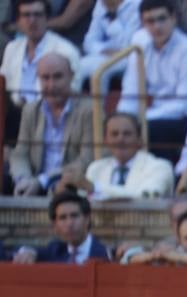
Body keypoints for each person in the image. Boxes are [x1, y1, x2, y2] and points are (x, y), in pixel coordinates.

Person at [117, 0, 187, 161]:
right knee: (117, 130)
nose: (156, 27)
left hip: (185, 117)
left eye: (162, 19)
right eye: (150, 21)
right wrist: (124, 119)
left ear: (174, 18)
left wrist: (143, 119)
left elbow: (185, 105)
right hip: (154, 114)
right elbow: (131, 90)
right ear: (142, 23)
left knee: (152, 131)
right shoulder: (139, 41)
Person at [8, 54, 92, 196]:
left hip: (70, 188)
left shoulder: (90, 110)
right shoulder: (30, 110)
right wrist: (23, 179)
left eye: (58, 77)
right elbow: (20, 154)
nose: (51, 85)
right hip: (33, 184)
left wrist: (42, 181)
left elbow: (87, 160)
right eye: (45, 78)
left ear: (71, 76)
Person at [77, 112, 176, 200]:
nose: (120, 139)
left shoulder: (160, 167)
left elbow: (145, 197)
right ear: (105, 141)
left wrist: (95, 188)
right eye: (114, 134)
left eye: (127, 134)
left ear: (139, 139)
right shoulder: (96, 168)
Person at [0, 0, 81, 108]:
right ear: (18, 21)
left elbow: (73, 91)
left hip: (46, 112)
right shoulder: (12, 48)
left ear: (47, 19)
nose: (32, 20)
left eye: (38, 15)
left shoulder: (66, 50)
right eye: (26, 15)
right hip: (13, 112)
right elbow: (3, 83)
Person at [9, 192, 111, 264]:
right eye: (63, 218)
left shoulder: (106, 253)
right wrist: (28, 252)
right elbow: (17, 251)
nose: (69, 223)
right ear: (55, 225)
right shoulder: (55, 250)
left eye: (74, 216)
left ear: (87, 219)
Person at [77, 0, 143, 91]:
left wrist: (113, 14)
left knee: (100, 70)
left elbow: (127, 43)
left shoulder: (137, 4)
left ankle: (98, 105)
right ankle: (72, 104)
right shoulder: (101, 2)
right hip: (103, 54)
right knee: (76, 66)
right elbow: (89, 40)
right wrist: (102, 49)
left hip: (131, 56)